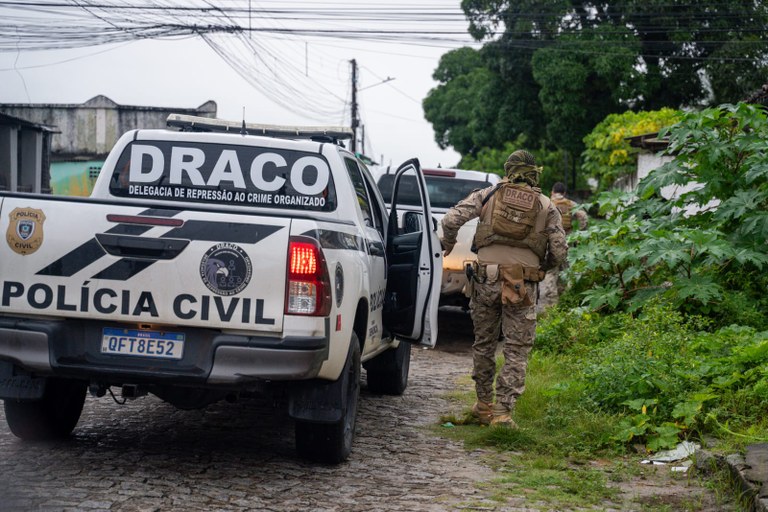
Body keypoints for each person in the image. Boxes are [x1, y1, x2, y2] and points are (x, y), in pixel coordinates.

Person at [440, 150, 567, 427]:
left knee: (484, 344)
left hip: (484, 281)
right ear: (535, 173)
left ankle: (483, 406)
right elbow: (559, 251)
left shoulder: (486, 195)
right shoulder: (547, 205)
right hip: (521, 286)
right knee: (516, 348)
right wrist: (542, 267)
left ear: (508, 170)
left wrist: (448, 244)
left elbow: (450, 220)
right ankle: (503, 413)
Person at [538, 182, 588, 310]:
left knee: (550, 270)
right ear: (564, 193)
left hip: (550, 241)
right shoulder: (571, 204)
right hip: (567, 240)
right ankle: (562, 297)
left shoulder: (546, 203)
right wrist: (579, 233)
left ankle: (551, 302)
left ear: (552, 192)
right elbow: (584, 217)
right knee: (564, 269)